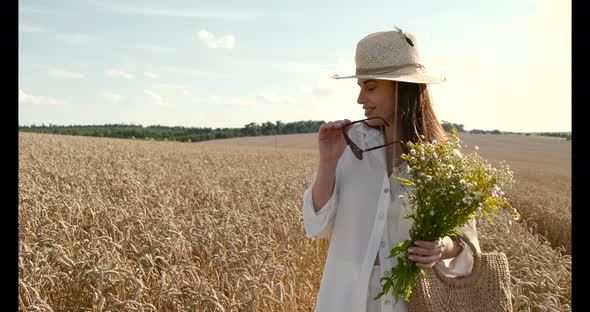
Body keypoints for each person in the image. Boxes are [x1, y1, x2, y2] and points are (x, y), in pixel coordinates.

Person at [302, 27, 481, 312]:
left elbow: (465, 240)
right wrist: (327, 162)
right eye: (360, 87)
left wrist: (440, 247)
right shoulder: (348, 145)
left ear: (402, 87)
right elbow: (316, 225)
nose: (360, 99)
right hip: (346, 297)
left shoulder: (444, 158)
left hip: (411, 301)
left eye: (370, 87)